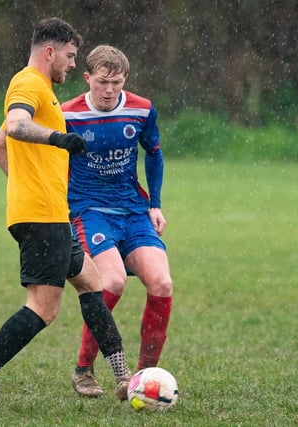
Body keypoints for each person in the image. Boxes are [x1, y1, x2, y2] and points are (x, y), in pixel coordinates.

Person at [0, 18, 131, 413]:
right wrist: (57, 138)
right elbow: (15, 127)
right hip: (42, 217)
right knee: (44, 307)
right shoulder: (29, 84)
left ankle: (123, 377)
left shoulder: (42, 89)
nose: (71, 65)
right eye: (69, 57)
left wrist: (26, 185)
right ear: (50, 52)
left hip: (49, 212)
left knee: (90, 280)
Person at [62, 45, 173, 398]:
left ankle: (143, 378)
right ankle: (84, 369)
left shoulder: (141, 109)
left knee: (162, 283)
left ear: (125, 79)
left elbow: (154, 154)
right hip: (90, 211)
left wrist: (155, 205)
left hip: (132, 210)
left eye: (117, 82)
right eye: (102, 82)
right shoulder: (67, 115)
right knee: (113, 281)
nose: (109, 90)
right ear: (87, 78)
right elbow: (50, 163)